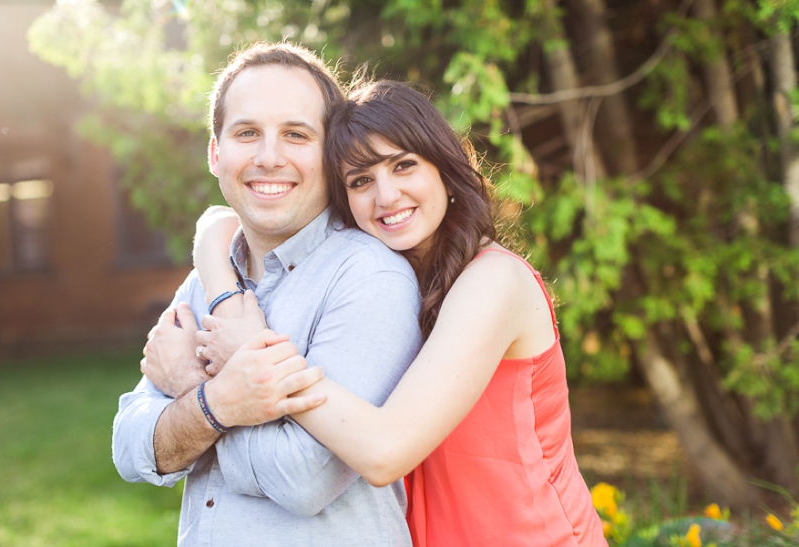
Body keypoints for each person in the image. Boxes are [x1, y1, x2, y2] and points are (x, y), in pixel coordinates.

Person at [193, 80, 608, 547]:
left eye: (403, 165)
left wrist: (254, 357)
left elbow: (384, 452)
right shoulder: (386, 282)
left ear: (444, 169)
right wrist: (226, 295)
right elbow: (217, 222)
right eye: (361, 181)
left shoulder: (494, 282)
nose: (386, 196)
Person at [112, 43, 422, 547]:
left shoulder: (368, 277)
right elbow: (132, 449)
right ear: (216, 153)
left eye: (295, 135)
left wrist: (195, 393)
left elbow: (304, 480)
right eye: (247, 133)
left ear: (331, 154)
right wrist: (219, 402)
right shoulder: (206, 277)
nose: (269, 157)